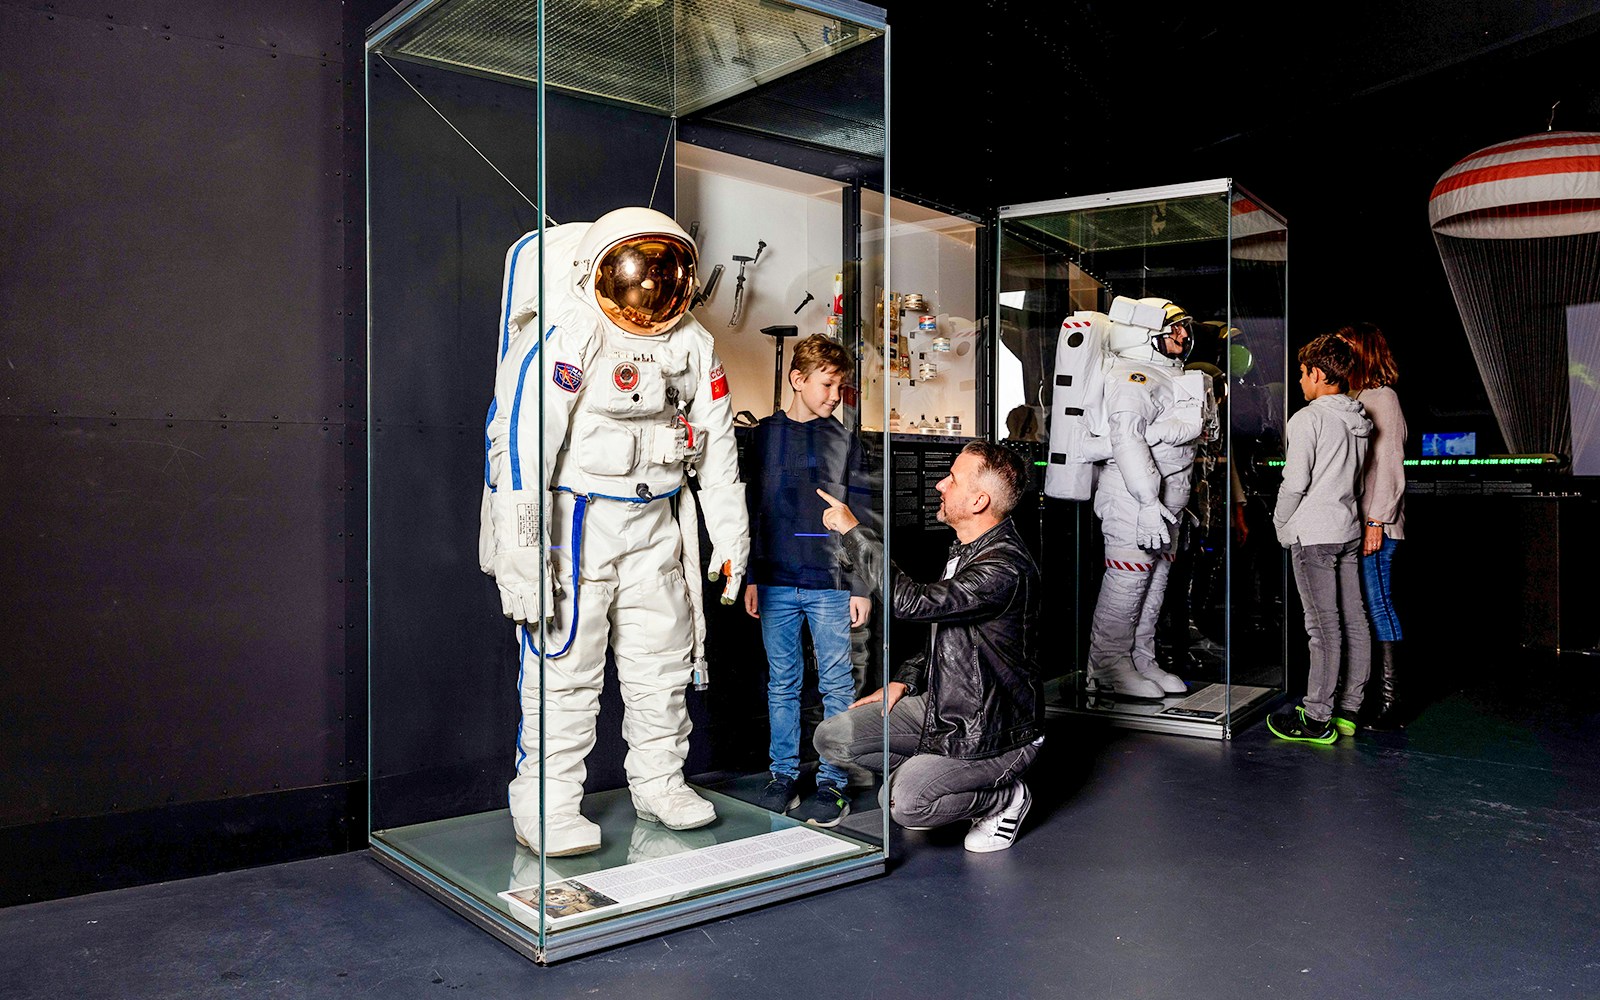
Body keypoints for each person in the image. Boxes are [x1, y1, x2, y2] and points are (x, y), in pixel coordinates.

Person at [482, 207, 749, 856]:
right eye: (636, 270)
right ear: (597, 267)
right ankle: (544, 805)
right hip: (575, 527)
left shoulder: (690, 342)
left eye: (666, 272)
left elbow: (716, 450)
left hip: (655, 525)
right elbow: (520, 449)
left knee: (662, 668)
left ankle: (659, 783)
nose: (650, 289)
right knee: (564, 674)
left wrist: (732, 543)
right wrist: (522, 561)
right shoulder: (567, 335)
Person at [811, 442, 1044, 854]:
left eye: (951, 479)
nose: (939, 485)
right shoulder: (969, 549)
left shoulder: (1003, 566)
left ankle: (1004, 798)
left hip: (991, 732)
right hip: (945, 707)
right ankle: (931, 777)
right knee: (833, 737)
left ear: (978, 500)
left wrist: (853, 531)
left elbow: (911, 603)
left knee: (903, 805)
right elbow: (951, 630)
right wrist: (906, 678)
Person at [740, 334, 874, 827]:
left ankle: (833, 784)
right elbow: (754, 511)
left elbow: (862, 516)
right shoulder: (763, 436)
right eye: (827, 384)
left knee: (837, 684)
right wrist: (753, 574)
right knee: (783, 684)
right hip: (775, 578)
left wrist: (861, 585)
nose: (835, 395)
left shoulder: (846, 439)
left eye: (841, 386)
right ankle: (782, 776)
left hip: (830, 582)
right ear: (798, 380)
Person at [1083, 297, 1209, 699]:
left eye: (1185, 328)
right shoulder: (1132, 376)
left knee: (1153, 584)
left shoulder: (1167, 376)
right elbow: (1126, 438)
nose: (1183, 335)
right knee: (1128, 581)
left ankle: (1140, 658)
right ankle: (1107, 666)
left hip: (1166, 503)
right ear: (1144, 333)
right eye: (1174, 328)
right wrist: (1146, 502)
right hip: (1134, 500)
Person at [1267, 333, 1373, 744]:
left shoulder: (1308, 419)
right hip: (1347, 528)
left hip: (1313, 533)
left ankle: (1315, 719)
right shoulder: (1359, 419)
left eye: (1302, 373)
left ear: (1319, 374)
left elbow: (1295, 483)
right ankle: (1348, 711)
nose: (1299, 381)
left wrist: (1280, 523)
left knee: (1323, 628)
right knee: (1354, 621)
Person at [1336, 322, 1407, 732]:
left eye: (1347, 348)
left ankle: (1390, 702)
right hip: (1356, 522)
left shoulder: (1384, 397)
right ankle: (1364, 697)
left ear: (1364, 352)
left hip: (1378, 523)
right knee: (1360, 607)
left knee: (1378, 604)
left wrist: (1377, 519)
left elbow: (1391, 465)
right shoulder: (1353, 397)